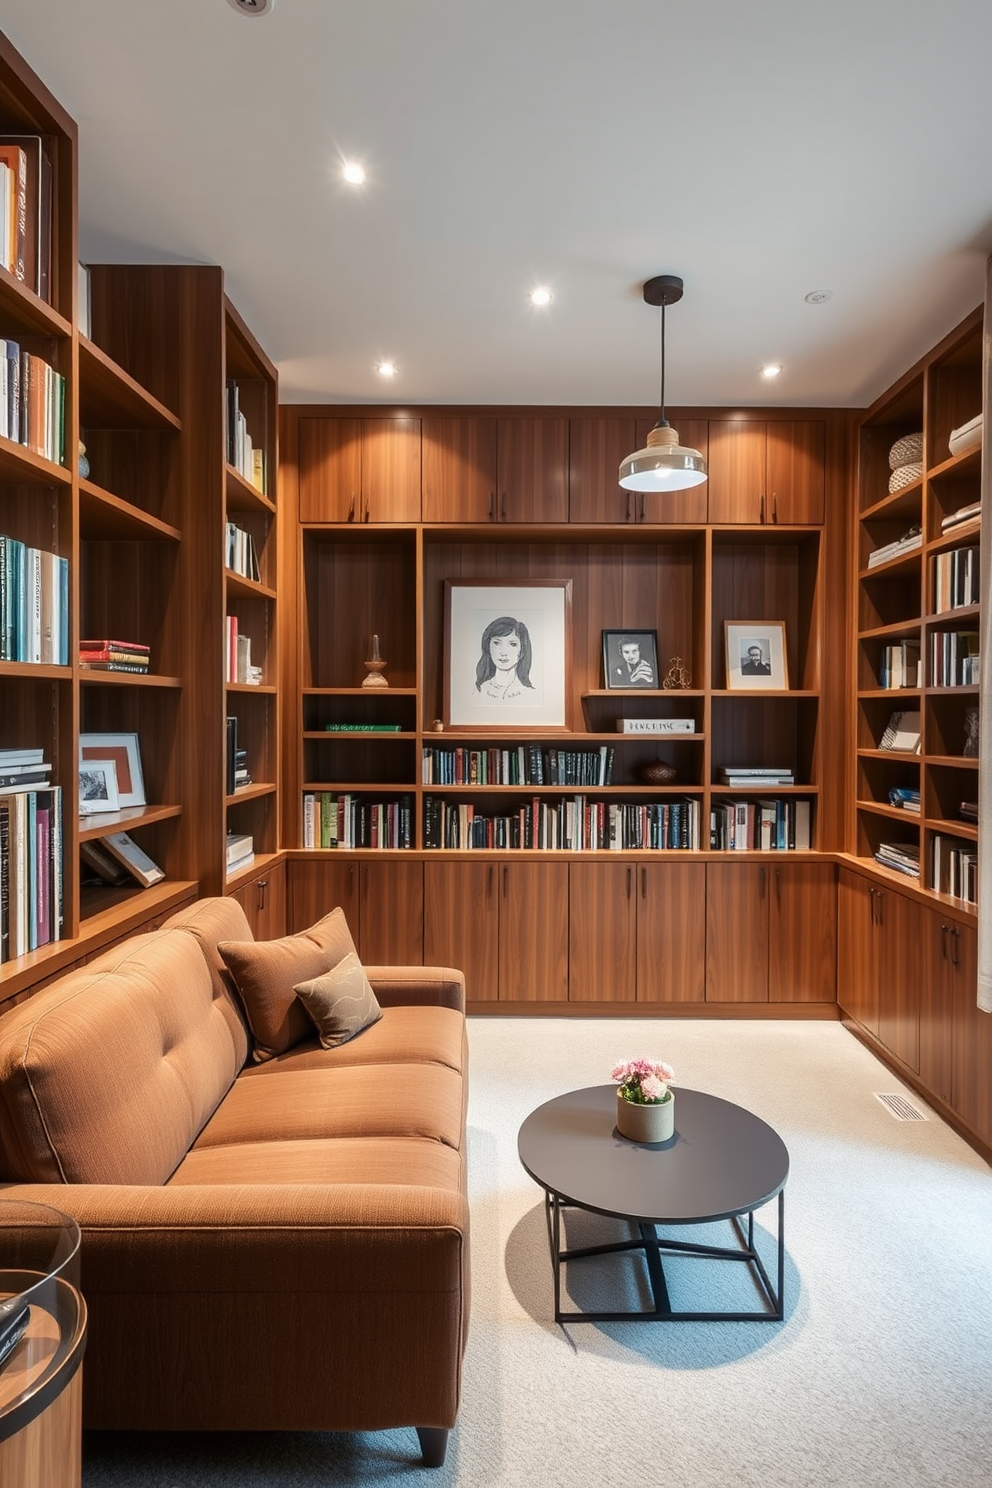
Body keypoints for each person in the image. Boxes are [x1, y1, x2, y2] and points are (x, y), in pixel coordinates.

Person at [475, 615, 534, 701]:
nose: (503, 652)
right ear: (488, 646)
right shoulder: (479, 690)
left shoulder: (530, 694)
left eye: (513, 644)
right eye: (497, 643)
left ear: (522, 649)